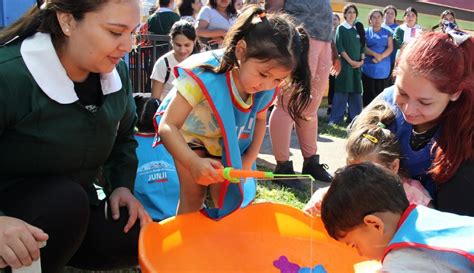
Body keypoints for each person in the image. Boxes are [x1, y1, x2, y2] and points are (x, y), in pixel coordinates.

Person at [0, 0, 151, 272]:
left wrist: (121, 186)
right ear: (67, 21)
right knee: (64, 202)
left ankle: (52, 253)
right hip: (20, 206)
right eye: (116, 32)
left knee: (133, 233)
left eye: (133, 32)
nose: (128, 46)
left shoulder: (116, 73)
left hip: (69, 208)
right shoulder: (9, 75)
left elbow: (124, 136)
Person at [157, 6, 312, 215]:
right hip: (189, 138)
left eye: (277, 79)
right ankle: (185, 245)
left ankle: (219, 243)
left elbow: (259, 120)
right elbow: (168, 126)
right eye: (263, 74)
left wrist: (250, 158)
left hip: (225, 142)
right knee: (193, 196)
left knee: (227, 198)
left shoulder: (265, 87)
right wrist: (193, 162)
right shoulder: (205, 75)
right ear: (241, 50)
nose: (267, 85)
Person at [376, 32, 474, 216]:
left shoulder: (467, 132)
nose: (409, 109)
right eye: (402, 93)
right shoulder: (385, 103)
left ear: (455, 93)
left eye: (425, 102)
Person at [320, 163, 474, 272]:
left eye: (355, 245)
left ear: (375, 224)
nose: (359, 254)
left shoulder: (402, 260)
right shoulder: (424, 216)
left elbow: (407, 264)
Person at [304, 102, 431, 216]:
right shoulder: (339, 192)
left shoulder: (415, 200)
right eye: (351, 167)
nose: (355, 178)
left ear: (393, 167)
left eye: (365, 171)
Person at [266, 0, 340, 185]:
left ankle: (310, 162)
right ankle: (283, 167)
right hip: (298, 40)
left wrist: (332, 48)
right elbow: (272, 9)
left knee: (310, 107)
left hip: (323, 42)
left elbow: (325, 14)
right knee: (286, 104)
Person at [329, 3, 363, 126]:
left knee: (355, 92)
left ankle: (356, 121)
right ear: (345, 14)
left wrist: (361, 61)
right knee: (341, 91)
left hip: (357, 66)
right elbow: (340, 47)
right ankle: (335, 120)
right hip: (345, 65)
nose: (351, 14)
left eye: (353, 12)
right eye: (349, 12)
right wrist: (351, 61)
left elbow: (362, 46)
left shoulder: (358, 28)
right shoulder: (341, 28)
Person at [150, 20, 198, 100]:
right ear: (171, 42)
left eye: (187, 45)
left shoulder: (199, 61)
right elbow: (155, 100)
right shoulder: (163, 64)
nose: (182, 50)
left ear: (194, 42)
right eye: (178, 45)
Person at [361, 9, 393, 106]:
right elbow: (363, 47)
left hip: (383, 69)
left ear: (382, 18)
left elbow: (390, 47)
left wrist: (381, 56)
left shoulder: (388, 32)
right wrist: (376, 55)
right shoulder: (365, 32)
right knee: (368, 93)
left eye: (379, 17)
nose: (377, 19)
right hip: (368, 68)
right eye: (374, 17)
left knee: (382, 95)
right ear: (370, 20)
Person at [327, 13, 340, 116]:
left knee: (336, 85)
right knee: (330, 84)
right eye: (332, 19)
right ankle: (330, 105)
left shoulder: (341, 32)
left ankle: (336, 107)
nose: (334, 21)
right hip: (327, 61)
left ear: (339, 21)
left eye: (335, 19)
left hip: (338, 61)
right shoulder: (327, 33)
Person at [381, 5, 399, 81]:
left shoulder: (399, 28)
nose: (390, 15)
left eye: (392, 13)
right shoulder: (378, 26)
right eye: (388, 13)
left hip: (393, 61)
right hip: (379, 60)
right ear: (384, 15)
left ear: (395, 16)